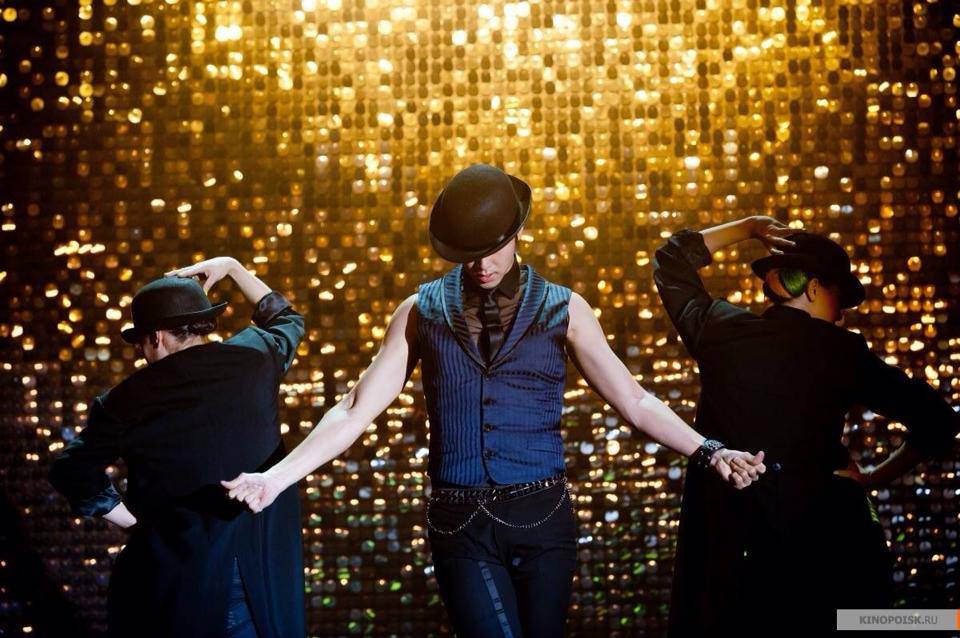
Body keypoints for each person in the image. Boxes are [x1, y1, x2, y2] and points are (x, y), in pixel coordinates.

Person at [221, 164, 766, 638]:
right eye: (470, 253)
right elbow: (354, 407)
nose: (482, 264)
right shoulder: (420, 311)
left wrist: (709, 451)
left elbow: (636, 400)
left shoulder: (564, 308)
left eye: (492, 249)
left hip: (542, 516)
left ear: (518, 231)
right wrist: (276, 478)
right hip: (460, 524)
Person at [653, 216, 959, 636]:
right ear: (814, 288)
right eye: (839, 299)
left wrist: (749, 228)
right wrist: (873, 477)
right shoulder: (843, 352)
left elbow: (671, 260)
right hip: (830, 548)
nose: (841, 316)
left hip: (734, 553)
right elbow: (938, 421)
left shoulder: (720, 330)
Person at [49, 259, 306, 638]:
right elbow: (286, 319)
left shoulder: (124, 400)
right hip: (262, 574)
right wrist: (233, 268)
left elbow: (70, 471)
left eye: (140, 342)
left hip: (174, 585)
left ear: (155, 337)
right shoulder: (257, 357)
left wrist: (135, 524)